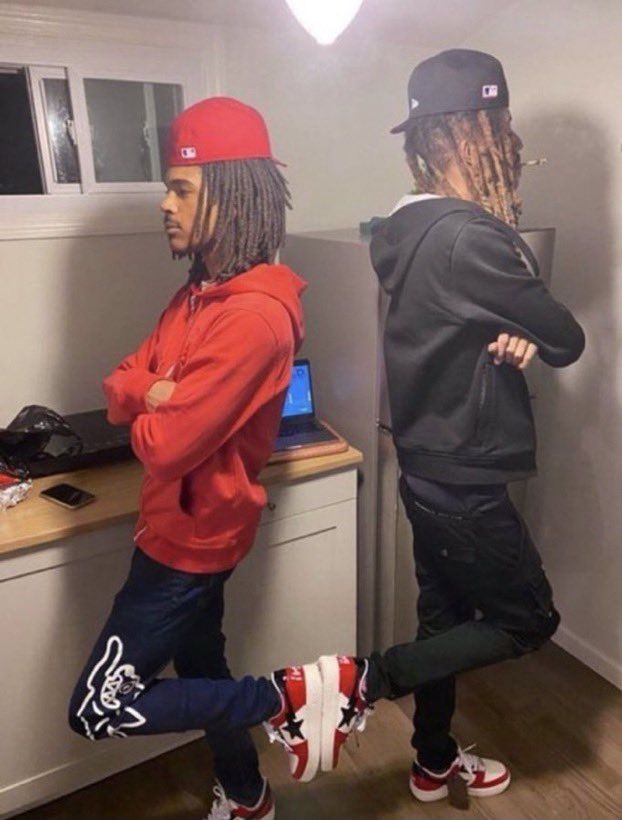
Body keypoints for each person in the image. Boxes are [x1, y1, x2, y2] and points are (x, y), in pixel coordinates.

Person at [314, 50, 585, 808]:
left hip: (423, 464)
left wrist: (512, 326)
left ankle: (432, 760)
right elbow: (567, 337)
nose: (510, 147)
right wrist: (528, 322)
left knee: (444, 617)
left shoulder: (403, 228)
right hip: (464, 475)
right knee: (528, 619)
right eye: (501, 129)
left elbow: (486, 320)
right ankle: (363, 682)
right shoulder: (477, 239)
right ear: (478, 135)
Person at [67, 97, 326, 820]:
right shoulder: (198, 296)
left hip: (188, 544)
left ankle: (292, 697)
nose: (164, 203)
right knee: (203, 664)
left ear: (232, 192)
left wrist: (148, 404)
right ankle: (247, 793)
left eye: (181, 188)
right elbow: (120, 379)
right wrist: (152, 388)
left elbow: (162, 442)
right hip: (179, 528)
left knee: (97, 707)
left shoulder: (252, 317)